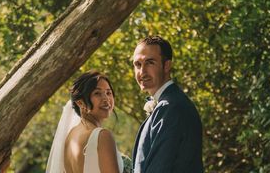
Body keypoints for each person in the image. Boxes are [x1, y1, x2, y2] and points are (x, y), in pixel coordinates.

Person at [132, 36, 203, 173]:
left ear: (167, 65)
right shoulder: (170, 103)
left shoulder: (171, 107)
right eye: (138, 64)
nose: (142, 72)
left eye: (150, 63)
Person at [46, 71, 124, 173]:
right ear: (80, 103)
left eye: (108, 93)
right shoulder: (103, 136)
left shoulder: (70, 137)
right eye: (97, 93)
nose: (106, 99)